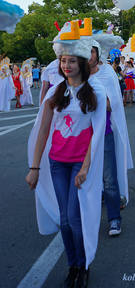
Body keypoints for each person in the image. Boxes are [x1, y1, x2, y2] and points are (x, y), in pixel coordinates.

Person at [26, 22, 106, 288]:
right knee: (64, 220)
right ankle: (73, 265)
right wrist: (34, 167)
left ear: (82, 63)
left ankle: (83, 266)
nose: (66, 65)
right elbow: (43, 131)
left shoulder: (96, 92)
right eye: (63, 60)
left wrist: (85, 168)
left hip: (80, 166)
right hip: (57, 163)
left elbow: (96, 135)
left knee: (74, 217)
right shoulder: (54, 92)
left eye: (72, 61)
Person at [88, 41, 133, 237]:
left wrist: (93, 100)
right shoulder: (76, 74)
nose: (88, 56)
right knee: (86, 178)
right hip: (82, 135)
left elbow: (111, 104)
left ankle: (114, 218)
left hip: (104, 132)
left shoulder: (106, 73)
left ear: (97, 54)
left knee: (109, 178)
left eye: (91, 52)